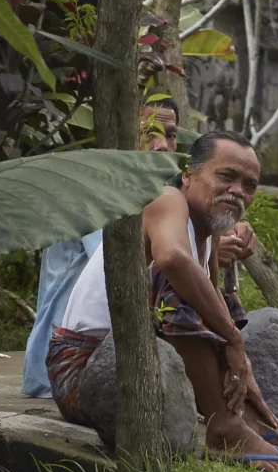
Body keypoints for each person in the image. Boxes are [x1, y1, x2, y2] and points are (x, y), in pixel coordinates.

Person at [49, 129, 278, 466]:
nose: (238, 192)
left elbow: (213, 311)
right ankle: (225, 429)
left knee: (216, 302)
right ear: (189, 175)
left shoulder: (209, 231)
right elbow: (171, 259)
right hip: (87, 372)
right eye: (227, 176)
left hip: (134, 359)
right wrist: (234, 341)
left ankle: (242, 420)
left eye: (249, 186)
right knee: (175, 280)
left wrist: (240, 366)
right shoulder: (165, 197)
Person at [23, 99, 177, 397]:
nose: (162, 146)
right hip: (62, 365)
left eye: (170, 135)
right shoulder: (94, 191)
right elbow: (125, 269)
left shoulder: (145, 192)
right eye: (150, 132)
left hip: (102, 355)